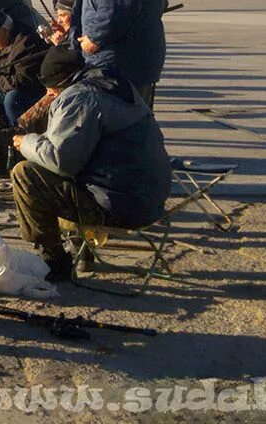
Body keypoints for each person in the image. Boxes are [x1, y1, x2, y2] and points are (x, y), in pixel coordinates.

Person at [9, 47, 171, 279]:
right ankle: (82, 253)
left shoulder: (79, 98)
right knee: (68, 170)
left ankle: (54, 260)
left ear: (59, 85)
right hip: (150, 198)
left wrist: (26, 142)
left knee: (26, 174)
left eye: (51, 91)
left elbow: (60, 160)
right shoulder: (114, 84)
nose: (50, 95)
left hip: (122, 206)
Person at [0, 10, 50, 126]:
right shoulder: (6, 41)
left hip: (35, 88)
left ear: (5, 31)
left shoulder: (25, 43)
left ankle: (17, 131)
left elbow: (21, 80)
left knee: (12, 100)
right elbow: (1, 69)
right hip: (17, 85)